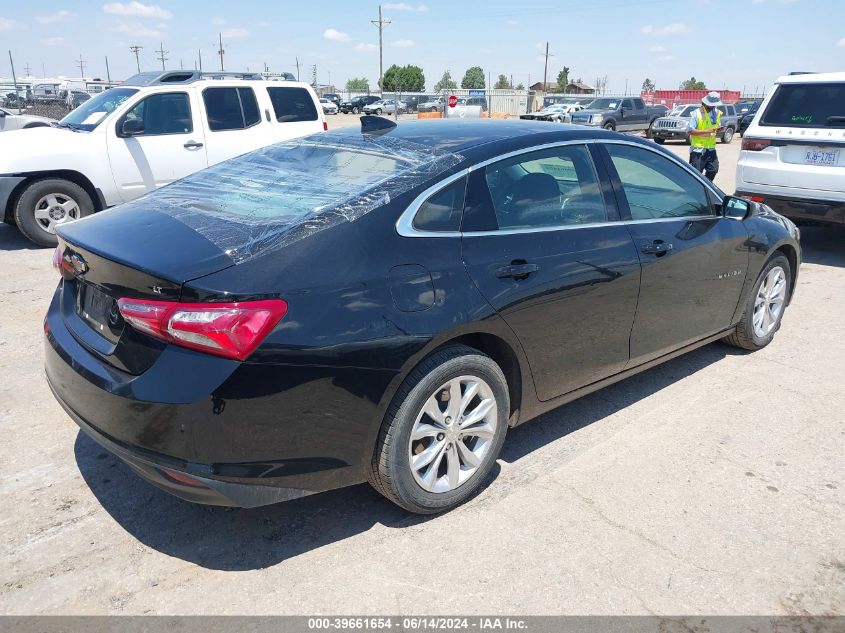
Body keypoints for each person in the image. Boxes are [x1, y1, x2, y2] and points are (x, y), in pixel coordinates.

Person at [688, 91, 723, 182]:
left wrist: (718, 130)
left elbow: (715, 127)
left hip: (711, 149)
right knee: (696, 175)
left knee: (713, 170)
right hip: (698, 150)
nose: (713, 107)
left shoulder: (717, 113)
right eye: (711, 105)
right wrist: (708, 131)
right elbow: (690, 131)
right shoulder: (697, 113)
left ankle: (705, 186)